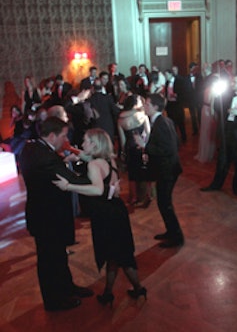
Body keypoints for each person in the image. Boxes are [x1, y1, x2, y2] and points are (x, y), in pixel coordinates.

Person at [53, 128, 146, 306]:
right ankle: (111, 292)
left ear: (94, 144)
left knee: (119, 256)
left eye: (85, 141)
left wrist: (68, 186)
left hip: (106, 215)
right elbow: (87, 156)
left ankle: (136, 289)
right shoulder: (108, 159)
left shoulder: (94, 165)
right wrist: (75, 154)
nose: (82, 144)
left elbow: (97, 189)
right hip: (117, 211)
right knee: (117, 255)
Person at [19, 117, 94, 312]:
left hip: (43, 214)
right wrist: (94, 169)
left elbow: (50, 167)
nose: (66, 139)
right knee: (49, 260)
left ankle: (67, 288)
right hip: (48, 218)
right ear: (52, 136)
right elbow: (71, 179)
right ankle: (54, 301)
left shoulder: (32, 148)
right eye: (63, 135)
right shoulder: (46, 158)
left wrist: (64, 160)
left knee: (58, 256)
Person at [134, 94, 184, 248]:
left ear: (155, 106)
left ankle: (177, 237)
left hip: (167, 170)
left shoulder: (161, 123)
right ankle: (171, 232)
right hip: (168, 168)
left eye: (147, 104)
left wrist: (144, 146)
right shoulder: (164, 120)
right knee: (164, 203)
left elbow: (167, 148)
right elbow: (176, 143)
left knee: (165, 203)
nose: (145, 106)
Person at [200, 72, 237, 195]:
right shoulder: (227, 96)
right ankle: (216, 185)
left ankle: (236, 187)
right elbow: (219, 110)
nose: (232, 84)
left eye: (234, 82)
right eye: (231, 82)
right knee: (222, 161)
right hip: (226, 133)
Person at [117, 95, 151, 206]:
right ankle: (147, 196)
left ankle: (134, 197)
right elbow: (149, 133)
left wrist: (123, 152)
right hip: (141, 145)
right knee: (145, 171)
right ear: (135, 104)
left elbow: (123, 139)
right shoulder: (142, 116)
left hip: (130, 147)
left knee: (132, 173)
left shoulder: (121, 119)